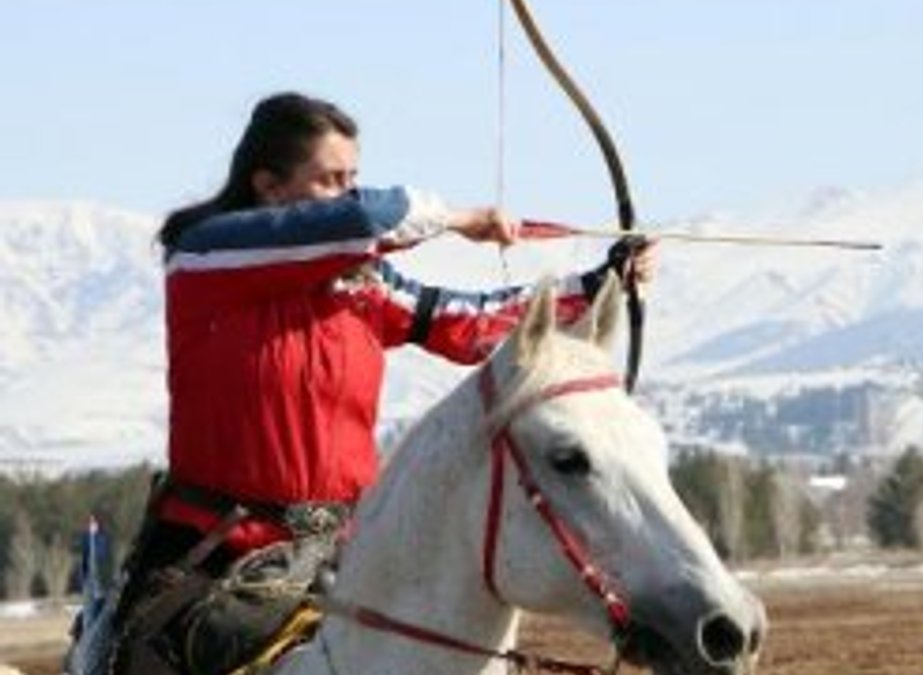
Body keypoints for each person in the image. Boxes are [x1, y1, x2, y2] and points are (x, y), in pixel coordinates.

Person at [105, 91, 654, 674]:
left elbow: (465, 324)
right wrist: (457, 218)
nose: (347, 191)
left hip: (347, 556)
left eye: (353, 177)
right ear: (269, 188)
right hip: (215, 555)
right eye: (331, 179)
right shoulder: (206, 255)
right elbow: (372, 217)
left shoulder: (359, 281)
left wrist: (601, 284)